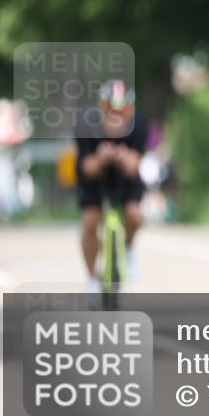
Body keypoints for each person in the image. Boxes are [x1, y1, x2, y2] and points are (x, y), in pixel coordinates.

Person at [75, 80, 147, 292]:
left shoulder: (139, 125)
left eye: (121, 111)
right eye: (111, 110)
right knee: (90, 222)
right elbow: (87, 167)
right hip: (95, 177)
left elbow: (134, 166)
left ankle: (129, 248)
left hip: (123, 176)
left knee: (135, 216)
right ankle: (90, 278)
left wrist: (124, 158)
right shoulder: (86, 126)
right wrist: (100, 159)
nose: (116, 116)